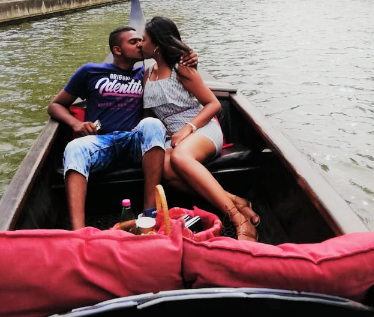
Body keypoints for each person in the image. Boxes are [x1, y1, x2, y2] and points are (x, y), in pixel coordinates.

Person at [47, 26, 198, 231]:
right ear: (117, 50)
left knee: (152, 124)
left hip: (133, 140)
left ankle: (150, 211)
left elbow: (171, 68)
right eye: (133, 42)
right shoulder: (90, 71)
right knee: (74, 148)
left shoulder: (146, 74)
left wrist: (189, 57)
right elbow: (55, 105)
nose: (140, 44)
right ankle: (79, 232)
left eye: (141, 40)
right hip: (101, 143)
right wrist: (76, 123)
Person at [141, 16, 260, 242]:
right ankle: (235, 200)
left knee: (181, 157)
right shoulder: (147, 75)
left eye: (144, 40)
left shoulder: (182, 69)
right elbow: (150, 115)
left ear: (156, 44)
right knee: (163, 168)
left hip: (201, 129)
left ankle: (238, 219)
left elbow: (213, 103)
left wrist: (188, 127)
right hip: (173, 138)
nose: (141, 44)